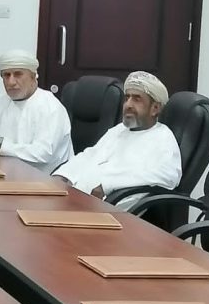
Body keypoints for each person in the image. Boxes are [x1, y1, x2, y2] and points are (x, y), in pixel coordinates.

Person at [53, 71, 182, 209]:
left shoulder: (163, 138)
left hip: (113, 210)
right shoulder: (119, 130)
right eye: (127, 98)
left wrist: (108, 184)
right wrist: (63, 175)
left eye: (137, 99)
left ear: (155, 108)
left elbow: (168, 176)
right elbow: (91, 154)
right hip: (78, 198)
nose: (128, 105)